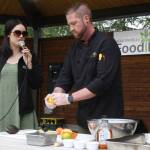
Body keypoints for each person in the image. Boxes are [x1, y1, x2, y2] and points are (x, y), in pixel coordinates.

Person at [45, 3, 124, 133]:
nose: (71, 28)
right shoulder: (74, 48)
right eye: (69, 24)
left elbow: (102, 82)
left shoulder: (106, 44)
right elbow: (64, 77)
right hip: (84, 121)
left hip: (108, 122)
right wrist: (55, 95)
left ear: (86, 19)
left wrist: (69, 98)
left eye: (74, 23)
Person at [0, 19, 42, 131]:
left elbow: (36, 84)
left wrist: (29, 63)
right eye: (17, 32)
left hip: (22, 109)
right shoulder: (1, 57)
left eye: (24, 33)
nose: (21, 36)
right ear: (8, 34)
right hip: (2, 108)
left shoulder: (30, 56)